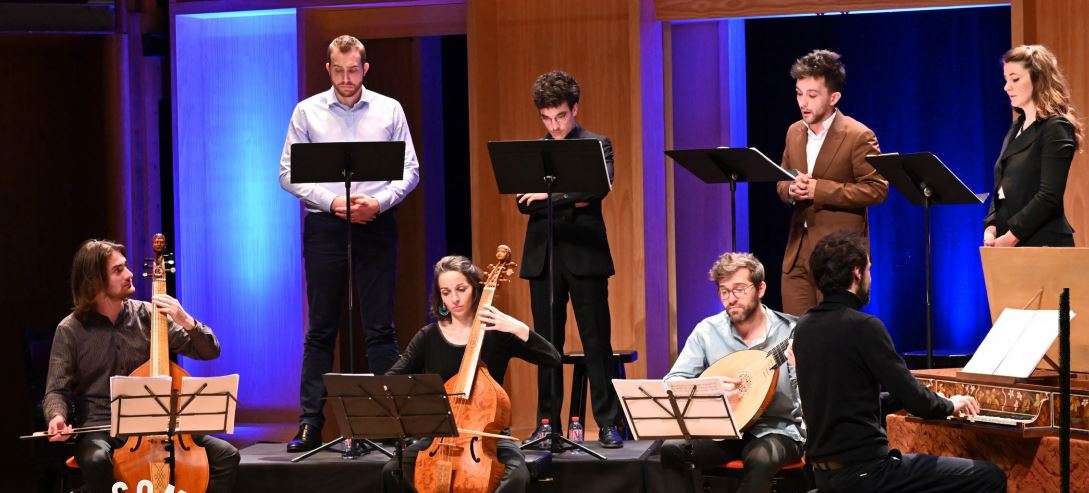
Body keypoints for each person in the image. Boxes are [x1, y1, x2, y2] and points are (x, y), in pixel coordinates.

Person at [279, 34, 420, 452]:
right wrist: (332, 201)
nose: (345, 79)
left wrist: (378, 202)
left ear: (365, 68)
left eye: (353, 70)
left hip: (375, 223)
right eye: (338, 71)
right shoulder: (307, 111)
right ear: (328, 69)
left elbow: (410, 169)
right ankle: (310, 424)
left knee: (380, 327)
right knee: (321, 329)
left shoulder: (389, 109)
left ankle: (390, 422)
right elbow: (286, 173)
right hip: (327, 225)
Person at [793, 231, 1006, 492]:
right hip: (869, 474)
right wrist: (950, 404)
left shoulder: (804, 327)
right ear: (857, 272)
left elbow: (848, 401)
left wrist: (916, 398)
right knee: (989, 476)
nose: (871, 278)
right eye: (869, 269)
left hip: (824, 476)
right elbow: (916, 400)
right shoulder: (864, 327)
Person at [42, 239, 239, 492]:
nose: (129, 274)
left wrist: (186, 320)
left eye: (126, 266)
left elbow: (209, 351)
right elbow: (56, 390)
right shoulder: (70, 329)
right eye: (118, 270)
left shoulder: (150, 315)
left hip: (160, 426)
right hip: (102, 427)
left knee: (227, 455)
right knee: (96, 459)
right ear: (95, 282)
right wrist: (57, 417)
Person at [382, 255, 561, 492]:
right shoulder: (428, 336)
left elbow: (552, 358)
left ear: (475, 289)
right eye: (446, 292)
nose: (454, 299)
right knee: (392, 471)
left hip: (489, 437)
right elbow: (392, 380)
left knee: (517, 476)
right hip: (440, 436)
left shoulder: (497, 333)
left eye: (461, 289)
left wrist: (517, 327)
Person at [518, 70, 624, 448]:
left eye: (561, 116)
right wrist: (567, 197)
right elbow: (522, 202)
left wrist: (548, 196)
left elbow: (596, 189)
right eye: (547, 118)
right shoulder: (535, 151)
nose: (555, 126)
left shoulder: (596, 144)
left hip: (585, 253)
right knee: (547, 344)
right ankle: (548, 424)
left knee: (596, 341)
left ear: (575, 108)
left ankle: (608, 423)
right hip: (543, 256)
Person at [659, 253, 804, 493]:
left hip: (778, 430)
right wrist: (710, 389)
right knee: (671, 449)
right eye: (724, 291)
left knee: (761, 457)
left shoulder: (791, 331)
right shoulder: (707, 331)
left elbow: (810, 399)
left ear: (760, 289)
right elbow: (672, 382)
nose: (731, 299)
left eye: (739, 289)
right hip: (724, 432)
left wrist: (797, 368)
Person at [775, 49, 888, 316]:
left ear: (833, 97)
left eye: (812, 95)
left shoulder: (858, 135)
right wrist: (791, 189)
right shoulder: (794, 132)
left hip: (837, 257)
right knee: (796, 332)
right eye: (799, 93)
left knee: (834, 333)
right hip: (797, 253)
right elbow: (781, 181)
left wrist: (820, 189)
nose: (803, 102)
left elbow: (877, 188)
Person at [984, 44, 1083, 248]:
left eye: (1015, 79)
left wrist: (1011, 237)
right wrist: (991, 224)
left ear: (1038, 80)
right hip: (1009, 244)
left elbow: (1049, 196)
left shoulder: (1056, 127)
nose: (1006, 87)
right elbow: (1002, 186)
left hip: (1043, 243)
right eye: (1006, 79)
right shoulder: (1016, 127)